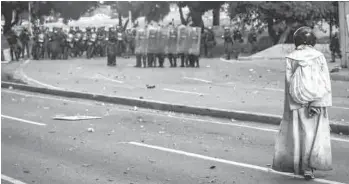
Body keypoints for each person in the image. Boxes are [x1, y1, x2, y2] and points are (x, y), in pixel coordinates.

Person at [272, 26, 332, 180]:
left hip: (297, 102)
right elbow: (325, 81)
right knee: (315, 133)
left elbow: (288, 83)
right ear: (312, 40)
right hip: (316, 101)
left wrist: (291, 106)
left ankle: (301, 165)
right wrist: (319, 103)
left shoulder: (291, 57)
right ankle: (310, 166)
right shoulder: (319, 56)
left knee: (301, 133)